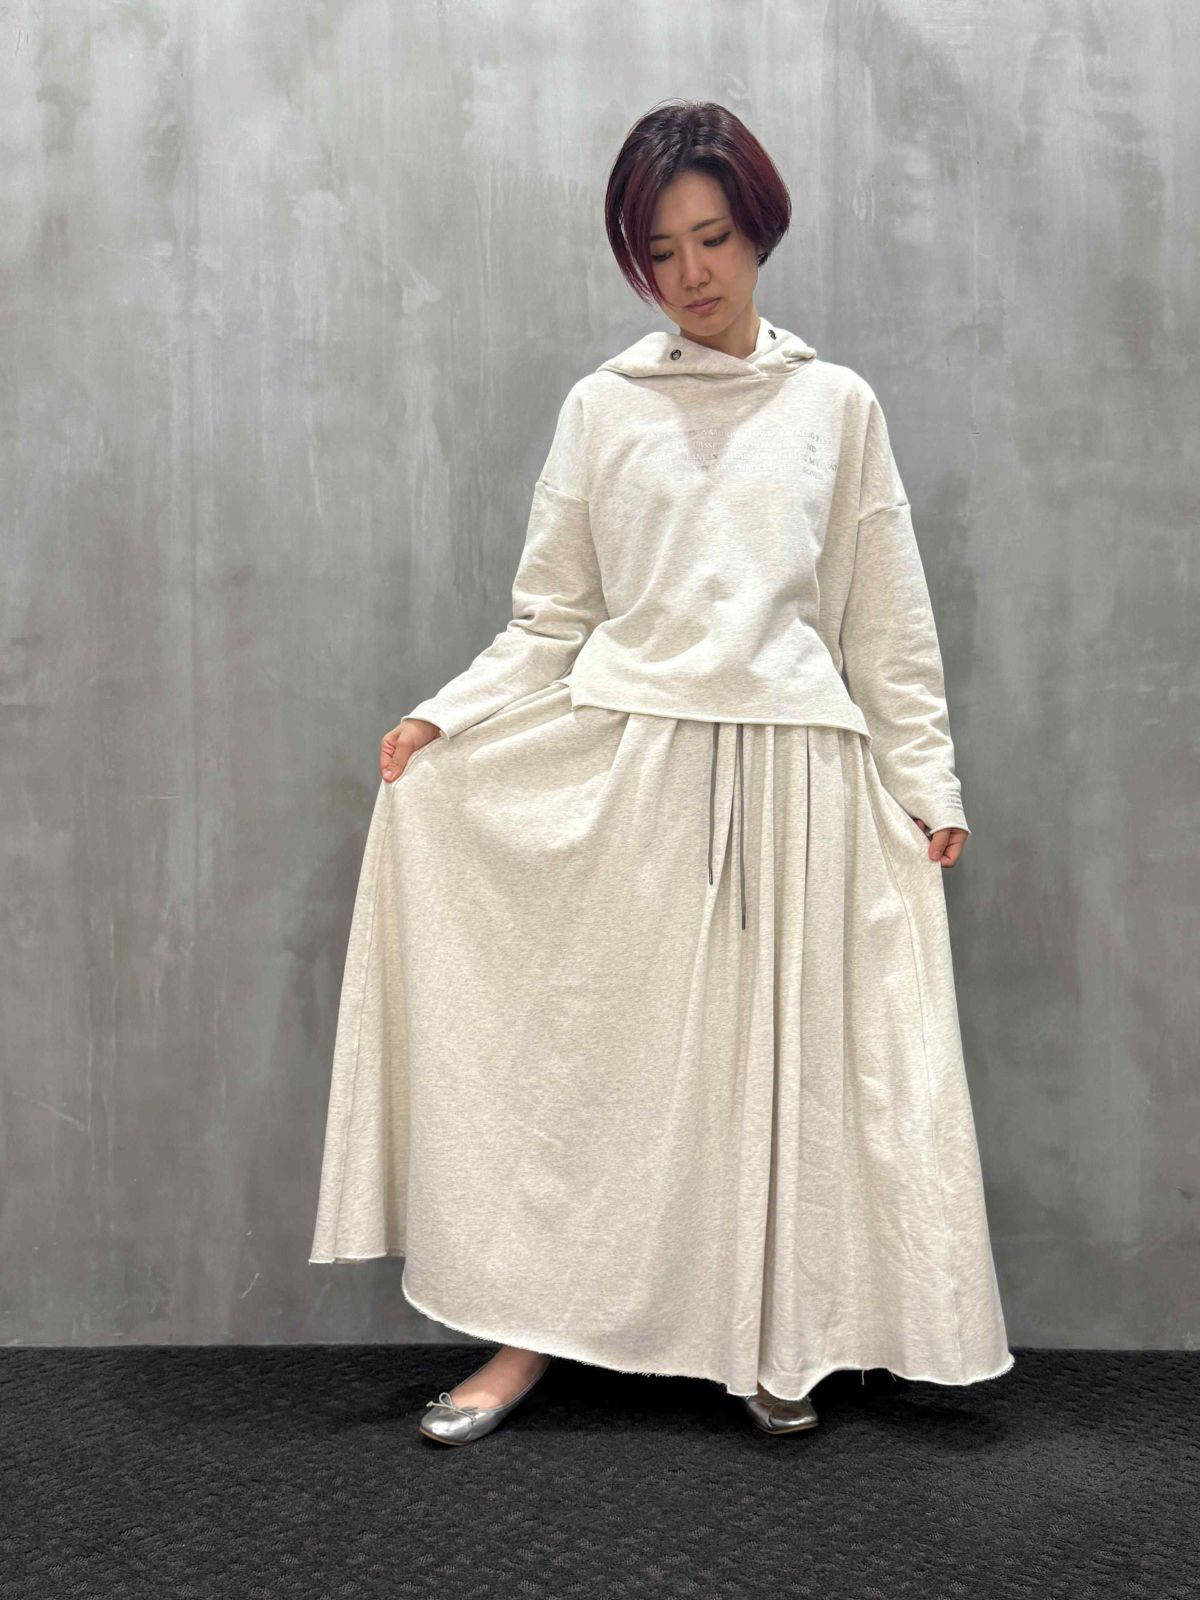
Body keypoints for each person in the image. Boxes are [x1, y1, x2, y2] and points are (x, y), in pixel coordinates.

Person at [308, 99, 1014, 1446]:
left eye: (714, 237)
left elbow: (886, 622)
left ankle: (777, 1337)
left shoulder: (835, 406)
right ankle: (524, 1340)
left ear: (760, 231)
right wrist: (445, 721)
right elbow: (552, 619)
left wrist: (930, 786)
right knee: (596, 1075)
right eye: (661, 249)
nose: (692, 272)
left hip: (799, 783)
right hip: (634, 777)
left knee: (783, 1080)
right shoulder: (603, 409)